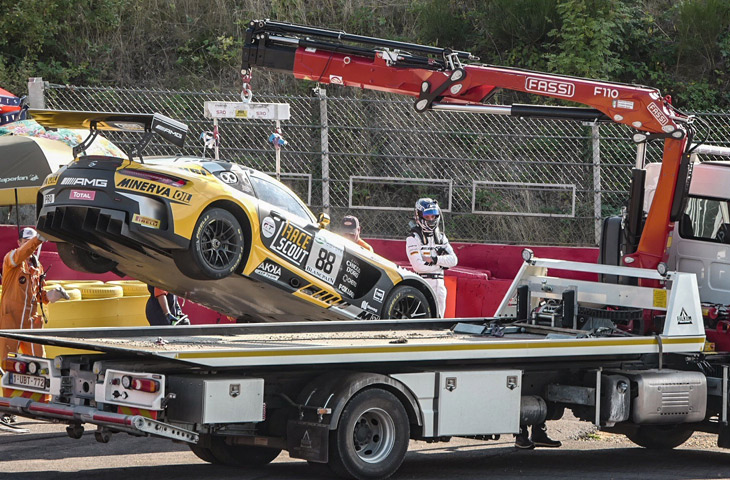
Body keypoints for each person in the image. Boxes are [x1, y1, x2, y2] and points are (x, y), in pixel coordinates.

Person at [0, 227, 68, 362]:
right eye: (25, 242)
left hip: (30, 322)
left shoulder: (37, 267)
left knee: (39, 362)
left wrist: (51, 295)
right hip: (11, 321)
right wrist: (37, 240)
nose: (30, 245)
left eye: (31, 242)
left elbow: (39, 296)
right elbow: (21, 254)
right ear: (19, 242)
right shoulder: (11, 259)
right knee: (7, 363)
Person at [405, 198, 458, 318]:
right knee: (422, 319)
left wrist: (435, 260)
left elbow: (454, 260)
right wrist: (442, 265)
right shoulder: (413, 238)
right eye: (427, 216)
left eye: (433, 216)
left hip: (440, 284)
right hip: (423, 284)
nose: (431, 219)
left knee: (439, 320)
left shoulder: (441, 238)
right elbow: (418, 266)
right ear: (419, 216)